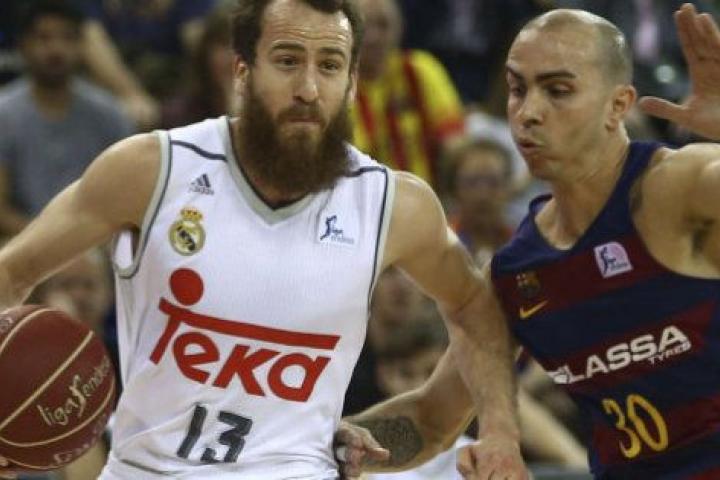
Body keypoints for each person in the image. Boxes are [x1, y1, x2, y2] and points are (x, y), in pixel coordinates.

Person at [0, 0, 526, 479]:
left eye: (329, 65)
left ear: (351, 82)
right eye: (288, 61)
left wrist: (499, 430)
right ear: (242, 72)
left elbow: (478, 308)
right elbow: (12, 270)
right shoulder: (152, 169)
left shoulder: (394, 205)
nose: (308, 88)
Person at [337, 3, 720, 479]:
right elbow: (430, 421)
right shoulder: (517, 272)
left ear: (619, 105)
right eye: (518, 89)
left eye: (558, 91)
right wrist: (318, 442)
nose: (528, 113)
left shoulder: (679, 187)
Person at [0, 0, 133, 236]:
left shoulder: (109, 114)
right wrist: (53, 243)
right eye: (44, 38)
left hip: (97, 243)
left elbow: (127, 198)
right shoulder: (4, 114)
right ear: (23, 45)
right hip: (21, 242)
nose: (56, 49)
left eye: (67, 38)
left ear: (82, 45)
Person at [351, 0, 465, 191]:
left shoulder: (420, 69)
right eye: (364, 26)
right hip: (360, 198)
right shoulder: (338, 84)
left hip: (427, 195)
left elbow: (454, 142)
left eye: (383, 25)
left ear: (400, 28)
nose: (373, 37)